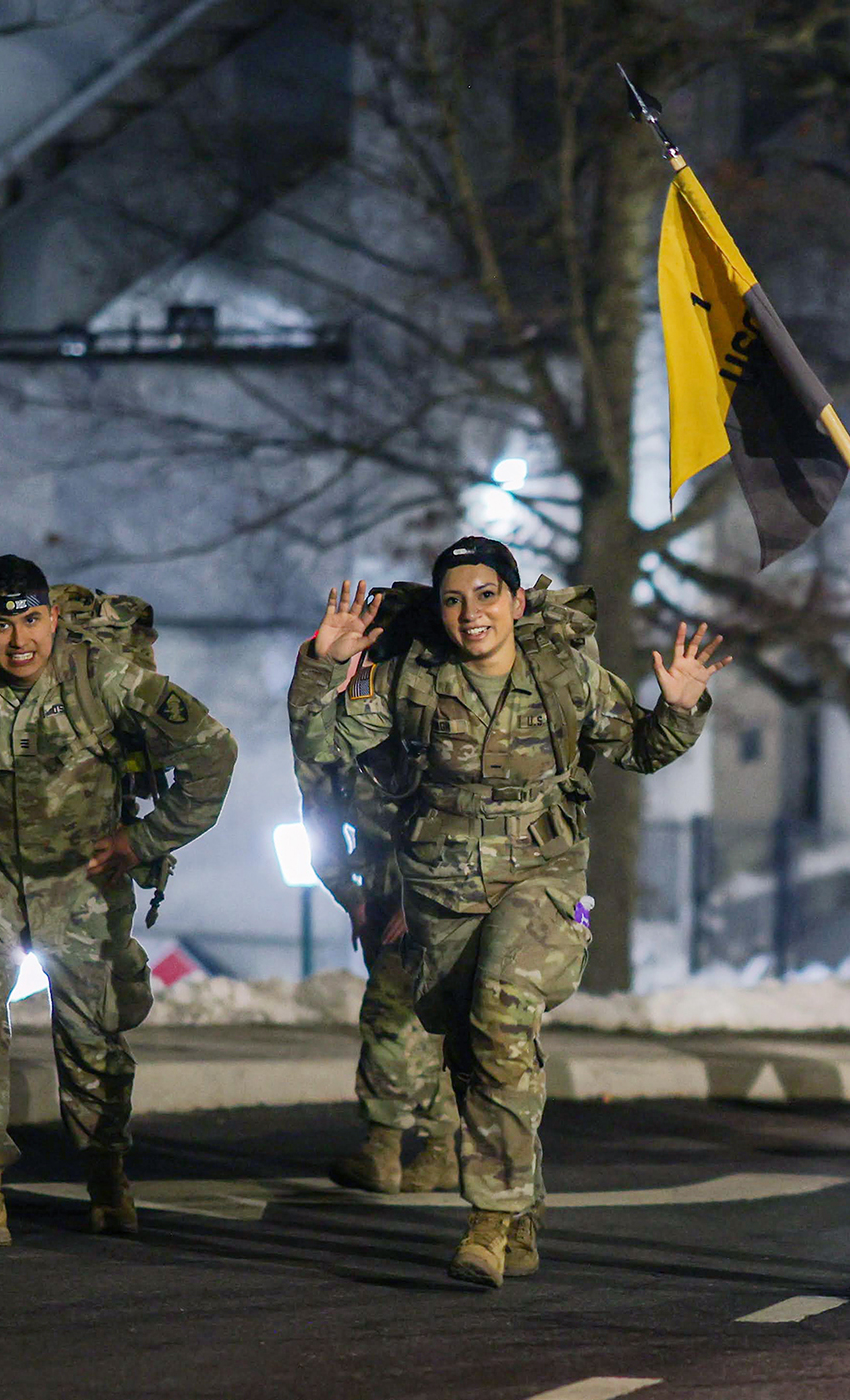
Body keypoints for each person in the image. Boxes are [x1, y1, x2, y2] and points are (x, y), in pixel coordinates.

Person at [288, 537, 727, 1287]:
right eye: (455, 599)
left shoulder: (565, 673)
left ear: (518, 603)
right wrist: (322, 668)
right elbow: (323, 746)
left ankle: (488, 1222)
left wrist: (679, 708)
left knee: (499, 1012)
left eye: (488, 595)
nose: (472, 614)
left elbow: (642, 751)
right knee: (477, 1056)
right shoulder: (409, 679)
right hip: (442, 891)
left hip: (544, 884)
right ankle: (523, 1212)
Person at [0, 555, 238, 1245]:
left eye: (32, 621)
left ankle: (106, 1175)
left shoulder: (105, 676)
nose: (19, 640)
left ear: (53, 618)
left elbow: (212, 751)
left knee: (92, 1042)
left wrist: (143, 840)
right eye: (2, 625)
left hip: (83, 881)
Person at [291, 751, 460, 1193]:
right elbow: (320, 819)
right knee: (425, 1024)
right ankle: (440, 1148)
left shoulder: (426, 717)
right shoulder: (339, 739)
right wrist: (351, 895)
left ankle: (383, 1149)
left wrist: (423, 899)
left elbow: (464, 814)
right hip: (383, 896)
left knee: (390, 1017)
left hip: (442, 896)